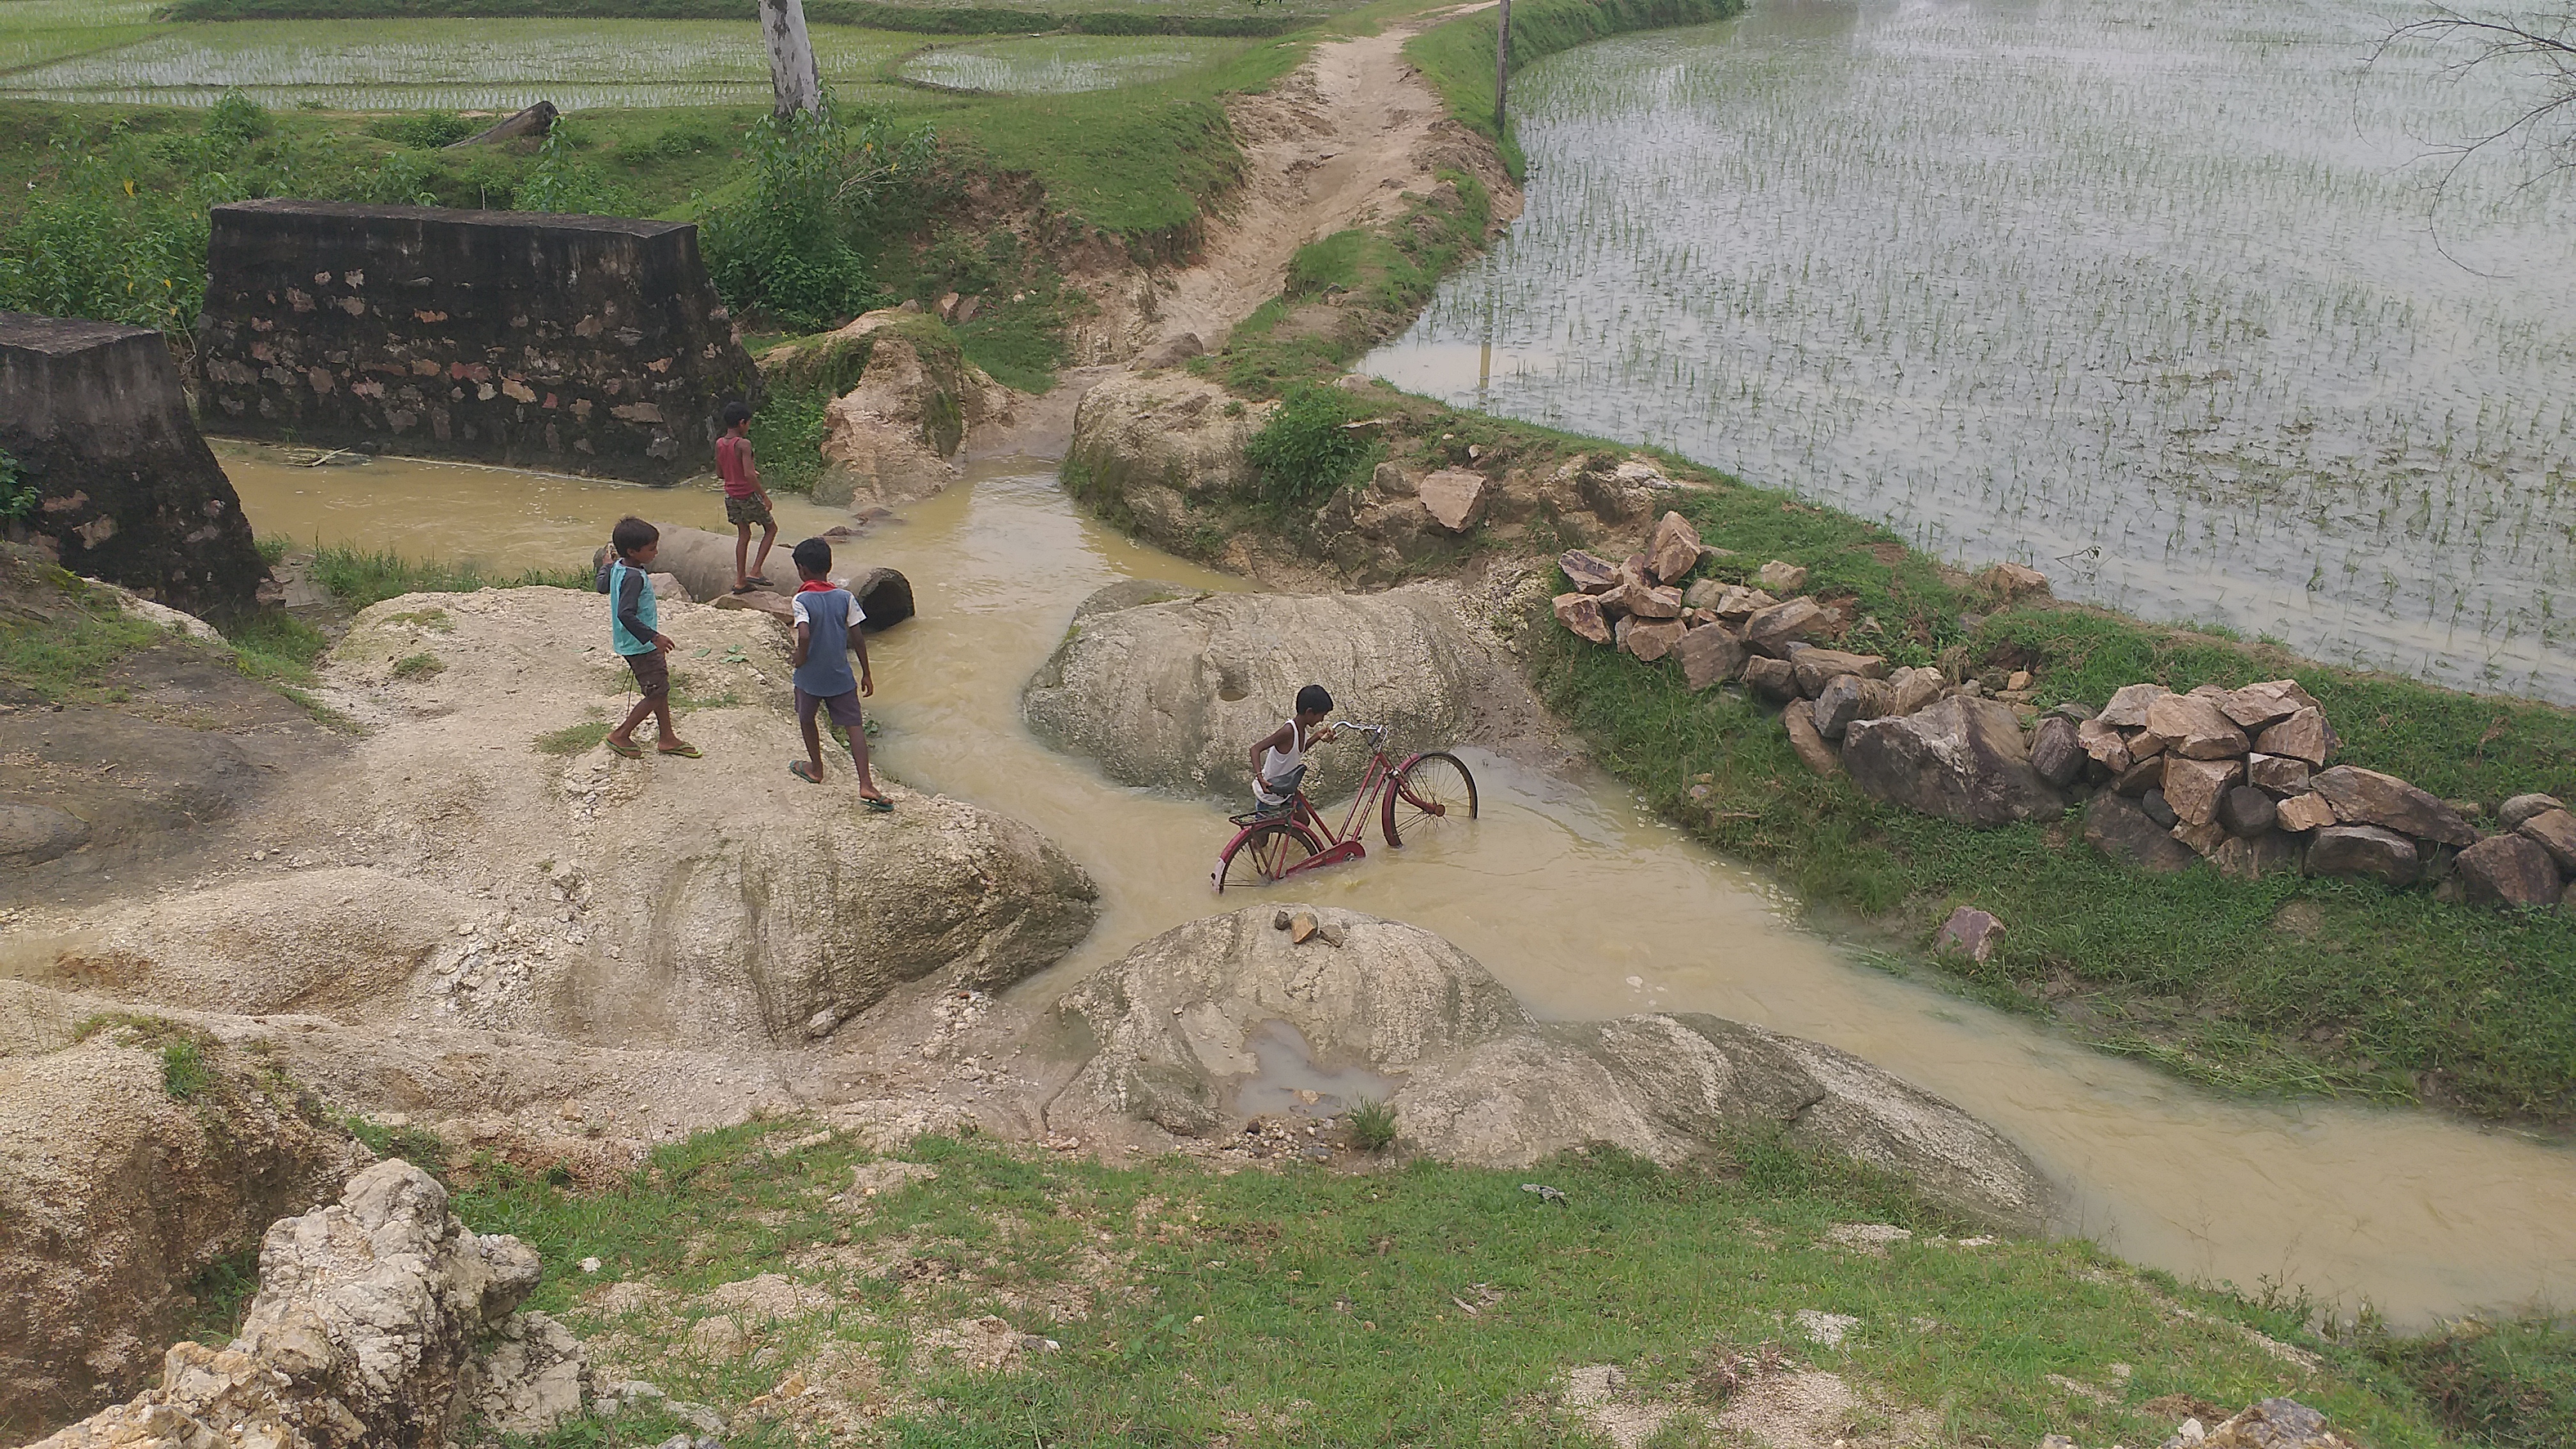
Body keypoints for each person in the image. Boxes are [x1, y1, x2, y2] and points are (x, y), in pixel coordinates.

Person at [785, 536, 891, 811]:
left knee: (807, 718)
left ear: (802, 570)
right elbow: (857, 638)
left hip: (810, 677)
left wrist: (801, 656)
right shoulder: (846, 598)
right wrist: (867, 673)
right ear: (829, 567)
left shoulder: (802, 599)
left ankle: (816, 768)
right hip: (840, 676)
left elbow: (804, 633)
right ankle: (866, 782)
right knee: (853, 726)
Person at [598, 516, 698, 760]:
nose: (656, 552)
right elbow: (625, 613)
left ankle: (667, 738)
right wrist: (653, 637)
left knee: (659, 688)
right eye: (651, 548)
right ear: (633, 551)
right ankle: (621, 735)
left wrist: (606, 565)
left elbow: (602, 587)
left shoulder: (618, 566)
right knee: (656, 692)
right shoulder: (633, 577)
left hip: (631, 642)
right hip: (640, 645)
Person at [1247, 684, 1338, 816]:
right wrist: (1260, 778)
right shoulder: (1288, 731)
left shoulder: (1302, 730)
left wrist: (1318, 736)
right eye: (1321, 715)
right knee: (1262, 835)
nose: (1322, 720)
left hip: (1285, 790)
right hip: (1270, 793)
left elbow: (1297, 751)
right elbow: (1255, 749)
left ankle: (1286, 834)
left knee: (1303, 820)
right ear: (1309, 712)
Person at [716, 401, 778, 595]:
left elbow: (720, 473)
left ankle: (740, 580)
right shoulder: (744, 444)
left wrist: (740, 472)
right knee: (771, 528)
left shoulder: (720, 443)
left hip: (731, 496)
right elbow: (750, 476)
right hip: (747, 495)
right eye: (748, 423)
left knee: (744, 535)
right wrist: (765, 497)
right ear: (742, 423)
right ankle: (756, 571)